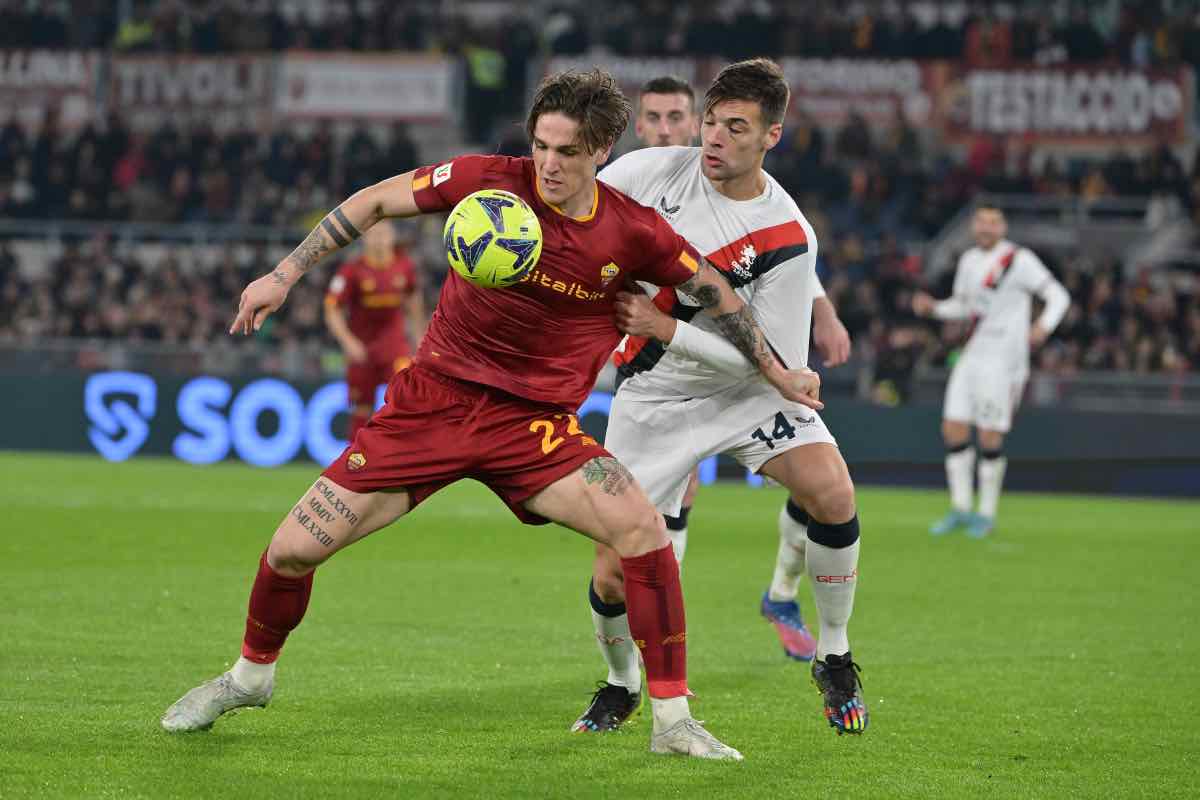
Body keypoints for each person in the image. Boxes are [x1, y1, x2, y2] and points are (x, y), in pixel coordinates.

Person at [160, 68, 824, 761]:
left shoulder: (633, 232)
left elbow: (715, 291)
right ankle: (248, 679)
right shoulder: (487, 181)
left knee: (644, 529)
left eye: (567, 151)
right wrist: (285, 273)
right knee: (291, 550)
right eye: (541, 145)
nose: (549, 164)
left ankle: (672, 720)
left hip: (533, 427)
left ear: (601, 152)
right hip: (433, 405)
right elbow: (379, 200)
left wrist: (777, 370)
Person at [572, 59, 867, 738]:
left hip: (749, 390)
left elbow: (777, 365)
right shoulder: (652, 173)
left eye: (736, 128)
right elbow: (575, 210)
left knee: (833, 494)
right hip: (655, 394)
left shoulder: (790, 238)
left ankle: (835, 654)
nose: (714, 139)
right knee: (611, 569)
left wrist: (665, 326)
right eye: (711, 123)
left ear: (773, 137)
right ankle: (620, 684)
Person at [914, 205, 1069, 538]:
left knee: (989, 434)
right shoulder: (969, 260)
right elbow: (965, 306)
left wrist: (1044, 325)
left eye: (993, 222)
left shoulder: (1018, 259)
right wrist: (935, 308)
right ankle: (960, 507)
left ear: (1003, 226)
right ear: (973, 226)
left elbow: (1058, 296)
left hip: (1003, 357)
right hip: (972, 353)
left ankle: (985, 513)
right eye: (981, 222)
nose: (986, 228)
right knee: (953, 428)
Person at [324, 220, 426, 439]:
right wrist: (348, 342)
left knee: (406, 401)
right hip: (363, 350)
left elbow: (414, 301)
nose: (379, 240)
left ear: (392, 237)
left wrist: (419, 338)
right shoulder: (351, 271)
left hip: (394, 347)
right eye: (374, 234)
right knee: (361, 409)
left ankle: (403, 456)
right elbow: (331, 309)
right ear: (365, 239)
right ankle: (354, 462)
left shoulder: (404, 266)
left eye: (384, 234)